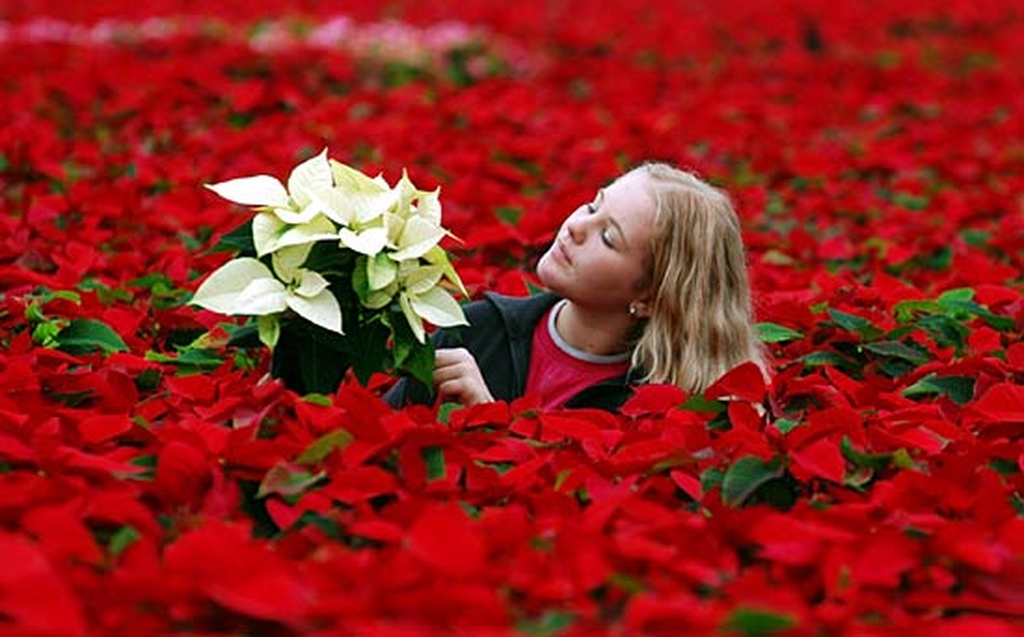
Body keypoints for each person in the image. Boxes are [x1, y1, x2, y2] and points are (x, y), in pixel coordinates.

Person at [385, 161, 767, 412]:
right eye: (592, 206)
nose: (576, 226)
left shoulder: (656, 406)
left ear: (649, 297)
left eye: (609, 237)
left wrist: (490, 424)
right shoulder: (476, 330)